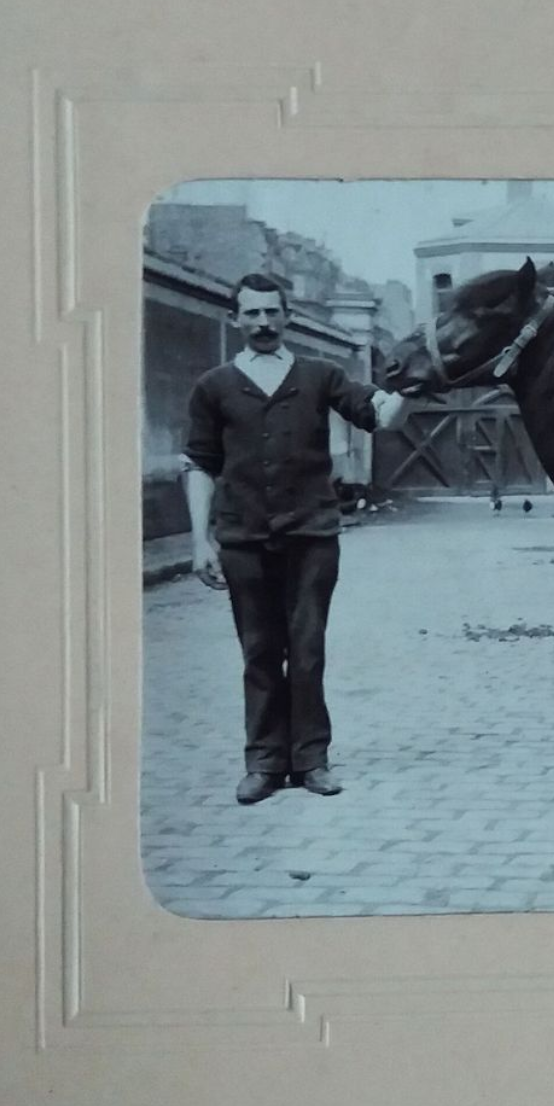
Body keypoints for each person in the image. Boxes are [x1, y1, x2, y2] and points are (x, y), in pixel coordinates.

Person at [183, 273, 411, 803]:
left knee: (307, 651)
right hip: (242, 537)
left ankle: (311, 761)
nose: (263, 323)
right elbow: (199, 465)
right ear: (235, 318)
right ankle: (263, 763)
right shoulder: (213, 386)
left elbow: (382, 417)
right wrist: (201, 541)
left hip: (311, 535)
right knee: (259, 652)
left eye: (271, 313)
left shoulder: (320, 375)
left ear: (287, 316)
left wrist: (412, 384)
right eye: (252, 314)